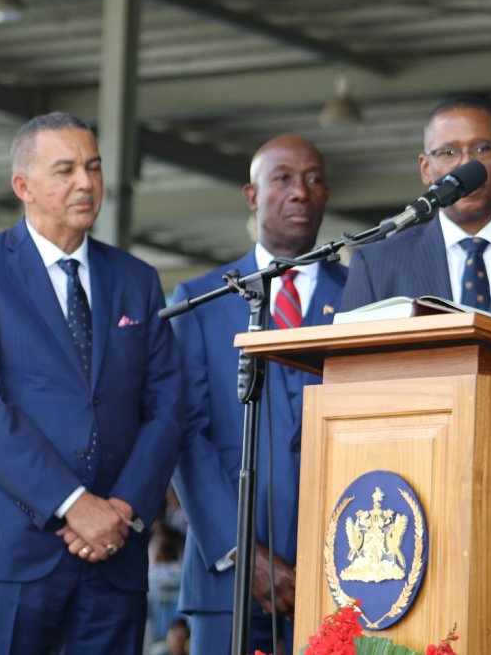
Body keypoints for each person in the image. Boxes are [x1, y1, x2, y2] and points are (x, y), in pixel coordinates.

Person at [0, 111, 184, 654]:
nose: (86, 183)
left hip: (114, 554)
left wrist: (122, 509)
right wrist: (73, 503)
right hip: (7, 552)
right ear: (22, 186)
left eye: (93, 168)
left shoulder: (137, 280)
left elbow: (168, 408)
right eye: (66, 169)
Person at [171, 135, 347, 654]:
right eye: (283, 178)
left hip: (340, 576)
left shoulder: (365, 296)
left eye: (314, 179)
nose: (300, 192)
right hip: (225, 578)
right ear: (252, 195)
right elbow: (185, 435)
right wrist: (240, 550)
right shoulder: (200, 303)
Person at [341, 94, 491, 323]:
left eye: (481, 149)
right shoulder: (375, 264)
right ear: (425, 168)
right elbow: (351, 363)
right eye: (448, 152)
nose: (466, 164)